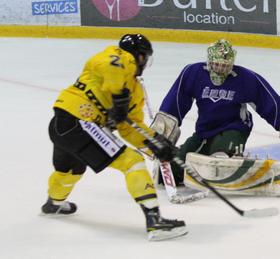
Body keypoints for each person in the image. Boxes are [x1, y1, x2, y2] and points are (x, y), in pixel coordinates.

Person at [41, 34, 186, 242]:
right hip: (82, 121)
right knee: (133, 162)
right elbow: (110, 65)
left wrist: (155, 142)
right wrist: (118, 98)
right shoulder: (119, 56)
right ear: (141, 57)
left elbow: (129, 128)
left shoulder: (135, 90)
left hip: (62, 126)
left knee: (71, 170)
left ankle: (53, 203)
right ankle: (156, 222)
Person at [157, 39, 280, 191]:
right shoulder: (193, 73)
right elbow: (175, 102)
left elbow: (272, 105)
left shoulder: (245, 78)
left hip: (234, 129)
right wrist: (163, 132)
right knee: (167, 173)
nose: (221, 69)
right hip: (203, 133)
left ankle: (234, 159)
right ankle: (210, 162)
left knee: (220, 161)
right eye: (217, 64)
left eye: (225, 66)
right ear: (209, 61)